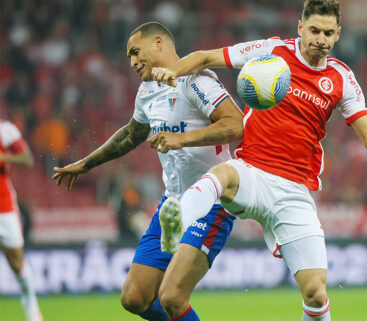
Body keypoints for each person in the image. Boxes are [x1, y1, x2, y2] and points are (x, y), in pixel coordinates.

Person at [150, 1, 367, 320]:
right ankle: (177, 217)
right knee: (222, 176)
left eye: (328, 33)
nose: (321, 39)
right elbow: (206, 58)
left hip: (294, 192)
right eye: (314, 30)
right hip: (252, 171)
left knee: (316, 293)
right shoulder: (272, 51)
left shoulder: (341, 78)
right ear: (300, 27)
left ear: (338, 34)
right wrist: (171, 70)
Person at [52, 22, 244, 321]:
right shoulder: (146, 91)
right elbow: (131, 134)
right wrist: (87, 163)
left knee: (172, 297)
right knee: (134, 298)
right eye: (129, 57)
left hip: (213, 201)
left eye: (135, 52)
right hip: (172, 205)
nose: (132, 62)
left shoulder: (196, 80)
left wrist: (182, 138)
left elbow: (235, 124)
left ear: (158, 43)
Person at [0, 119, 42, 321]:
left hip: (4, 207)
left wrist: (3, 156)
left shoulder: (5, 130)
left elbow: (27, 158)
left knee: (16, 263)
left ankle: (31, 306)